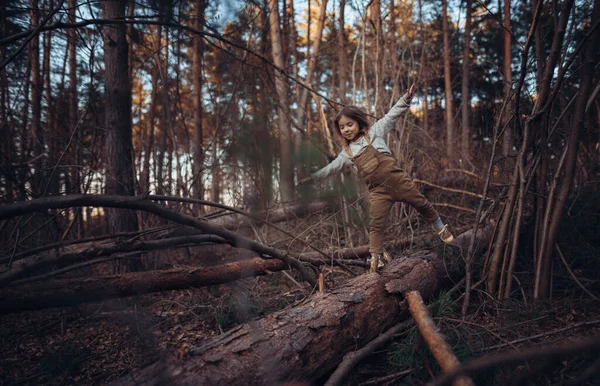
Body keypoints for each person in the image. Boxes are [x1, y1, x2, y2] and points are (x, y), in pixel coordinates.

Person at [298, 84, 454, 270]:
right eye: (342, 127)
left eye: (350, 124)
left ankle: (439, 227)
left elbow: (392, 114)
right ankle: (376, 257)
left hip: (399, 182)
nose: (346, 129)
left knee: (421, 203)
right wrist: (312, 178)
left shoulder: (375, 132)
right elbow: (331, 169)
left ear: (359, 123)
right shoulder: (346, 153)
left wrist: (407, 98)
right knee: (376, 224)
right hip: (379, 192)